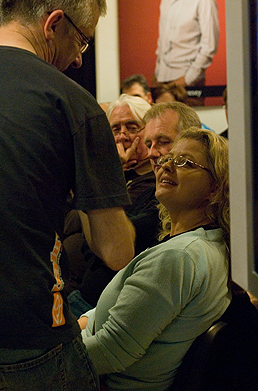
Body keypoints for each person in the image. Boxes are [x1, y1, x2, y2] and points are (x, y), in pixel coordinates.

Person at [0, 0, 136, 391]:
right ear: (54, 23)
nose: (80, 58)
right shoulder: (71, 102)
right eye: (82, 40)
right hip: (25, 346)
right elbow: (115, 250)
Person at [80, 128, 231, 391]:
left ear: (214, 188)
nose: (167, 166)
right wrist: (86, 319)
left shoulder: (179, 257)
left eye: (184, 162)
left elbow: (110, 351)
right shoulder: (205, 243)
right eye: (167, 159)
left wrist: (46, 356)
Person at [66, 102, 202, 317]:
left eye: (163, 142)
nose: (152, 153)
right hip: (86, 300)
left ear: (192, 143)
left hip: (99, 310)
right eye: (149, 144)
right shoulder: (155, 193)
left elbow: (114, 246)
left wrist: (94, 173)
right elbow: (92, 244)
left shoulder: (171, 200)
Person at [65, 94, 154, 315]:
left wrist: (108, 169)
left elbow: (108, 242)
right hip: (71, 286)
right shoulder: (120, 176)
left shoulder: (154, 183)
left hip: (100, 301)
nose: (122, 136)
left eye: (132, 127)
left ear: (149, 131)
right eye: (115, 129)